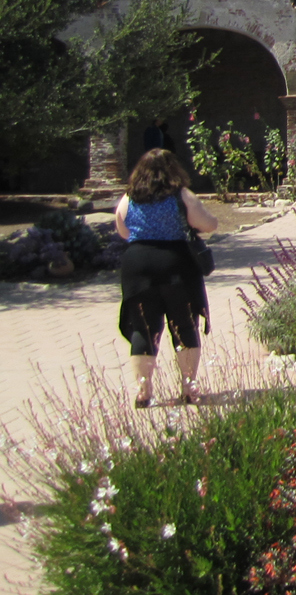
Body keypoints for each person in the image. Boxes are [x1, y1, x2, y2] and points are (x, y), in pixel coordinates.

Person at [114, 149, 218, 407]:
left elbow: (122, 229)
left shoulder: (130, 197)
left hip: (137, 265)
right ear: (173, 169)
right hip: (176, 263)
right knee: (183, 325)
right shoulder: (182, 195)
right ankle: (188, 389)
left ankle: (143, 392)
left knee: (143, 328)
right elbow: (208, 224)